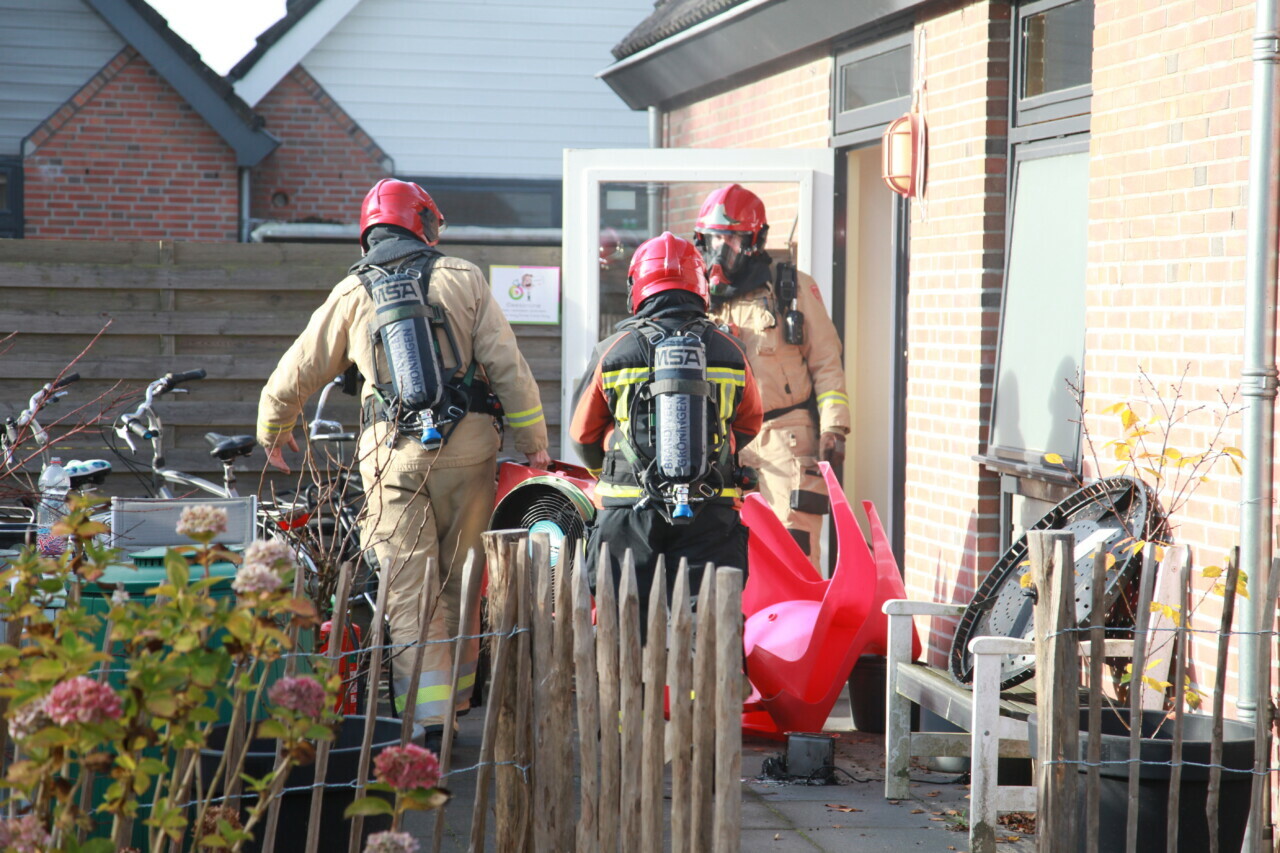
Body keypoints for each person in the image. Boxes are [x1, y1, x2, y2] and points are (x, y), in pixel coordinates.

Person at [257, 178, 550, 749]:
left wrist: (275, 427)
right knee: (460, 581)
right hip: (471, 455)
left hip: (393, 461)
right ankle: (457, 704)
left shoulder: (353, 292)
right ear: (424, 223)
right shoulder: (464, 278)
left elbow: (297, 370)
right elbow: (507, 365)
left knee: (409, 592)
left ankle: (428, 723)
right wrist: (534, 439)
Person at [570, 231, 762, 628]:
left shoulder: (614, 349)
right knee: (709, 629)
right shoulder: (730, 351)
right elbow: (749, 422)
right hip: (711, 508)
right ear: (700, 286)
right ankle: (704, 692)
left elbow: (582, 435)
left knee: (624, 627)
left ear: (637, 287)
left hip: (627, 512)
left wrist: (610, 466)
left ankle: (632, 691)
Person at [695, 184, 850, 571]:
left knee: (794, 546)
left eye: (732, 239)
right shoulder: (695, 294)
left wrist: (834, 428)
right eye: (715, 239)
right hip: (722, 440)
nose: (721, 251)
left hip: (787, 436)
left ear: (754, 240)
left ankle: (802, 628)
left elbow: (827, 360)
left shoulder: (791, 289)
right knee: (726, 546)